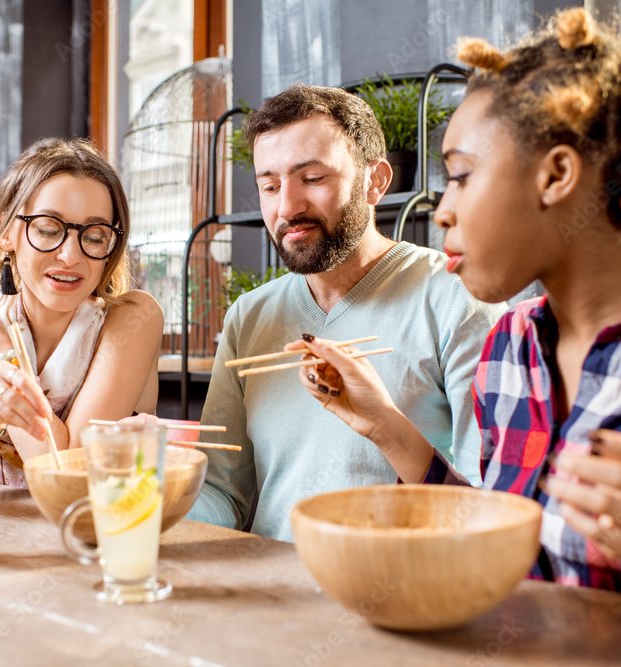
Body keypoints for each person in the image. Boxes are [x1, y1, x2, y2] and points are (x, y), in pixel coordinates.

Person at [297, 9, 621, 601]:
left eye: (462, 176)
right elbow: (495, 538)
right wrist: (386, 425)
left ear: (556, 175)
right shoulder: (511, 344)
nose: (441, 210)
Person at [185, 84, 506, 542]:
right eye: (270, 186)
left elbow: (489, 502)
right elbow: (222, 496)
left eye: (313, 179)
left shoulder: (458, 297)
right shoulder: (249, 317)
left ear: (375, 181)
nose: (287, 207)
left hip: (400, 593)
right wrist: (159, 483)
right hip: (268, 594)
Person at [0, 138, 163, 486]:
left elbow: (69, 477)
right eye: (48, 229)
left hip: (90, 535)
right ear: (6, 233)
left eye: (95, 236)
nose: (71, 255)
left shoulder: (133, 317)